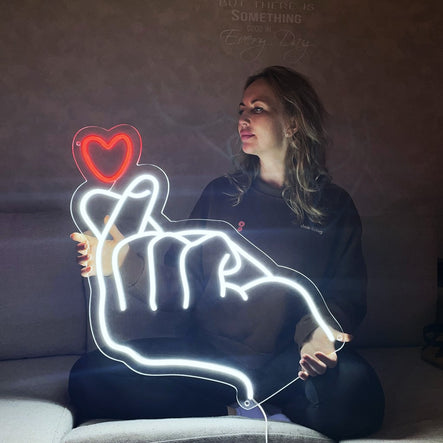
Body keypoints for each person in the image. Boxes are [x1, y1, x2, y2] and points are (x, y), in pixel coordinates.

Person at [70, 66, 385, 439]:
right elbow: (176, 286)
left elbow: (346, 296)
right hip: (210, 360)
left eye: (258, 108)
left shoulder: (334, 207)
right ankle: (239, 409)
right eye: (241, 109)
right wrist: (120, 260)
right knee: (87, 379)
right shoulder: (221, 195)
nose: (243, 119)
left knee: (360, 396)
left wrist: (317, 336)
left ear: (294, 122)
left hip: (289, 365)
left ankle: (259, 402)